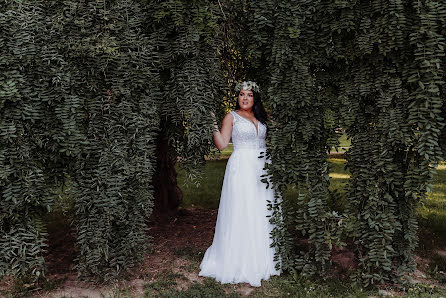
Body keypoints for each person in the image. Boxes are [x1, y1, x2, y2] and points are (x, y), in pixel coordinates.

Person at [198, 81, 282, 287]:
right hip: (242, 167)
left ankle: (264, 258)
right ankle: (239, 258)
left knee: (262, 209)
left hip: (263, 167)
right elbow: (221, 144)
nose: (245, 98)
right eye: (242, 94)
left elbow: (279, 130)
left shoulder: (261, 117)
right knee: (242, 209)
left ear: (255, 98)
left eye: (249, 95)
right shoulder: (231, 116)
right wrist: (212, 123)